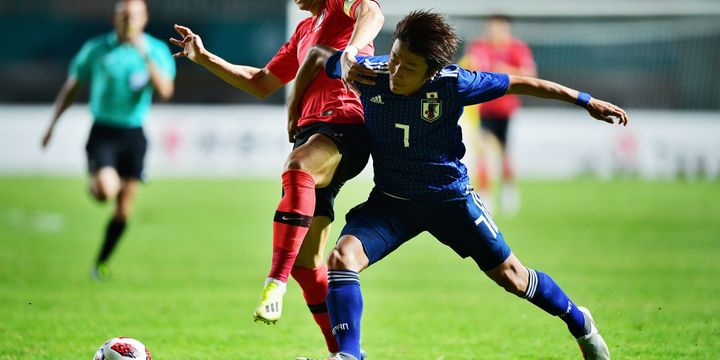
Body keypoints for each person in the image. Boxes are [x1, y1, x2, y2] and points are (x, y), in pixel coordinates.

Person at [291, 10, 627, 360]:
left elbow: (522, 83)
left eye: (408, 67)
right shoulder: (368, 73)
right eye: (394, 58)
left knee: (512, 276)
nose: (395, 71)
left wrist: (586, 101)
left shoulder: (453, 83)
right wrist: (331, 74)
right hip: (392, 203)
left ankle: (581, 324)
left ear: (431, 72)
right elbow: (317, 56)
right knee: (341, 257)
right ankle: (348, 355)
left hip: (449, 201)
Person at [170, 0, 383, 357]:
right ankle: (342, 354)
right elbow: (261, 82)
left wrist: (351, 51)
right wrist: (204, 57)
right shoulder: (302, 31)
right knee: (308, 265)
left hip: (343, 123)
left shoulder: (340, 6)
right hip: (312, 131)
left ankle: (274, 282)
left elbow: (372, 13)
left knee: (297, 166)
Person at [41, 0, 175, 280]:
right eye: (124, 14)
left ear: (144, 18)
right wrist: (52, 124)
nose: (129, 19)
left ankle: (101, 262)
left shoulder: (156, 50)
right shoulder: (97, 49)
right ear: (115, 18)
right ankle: (98, 180)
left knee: (124, 209)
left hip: (134, 135)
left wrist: (144, 55)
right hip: (103, 132)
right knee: (105, 190)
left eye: (134, 15)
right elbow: (73, 85)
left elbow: (165, 90)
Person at [460, 15, 537, 215]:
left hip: (507, 110)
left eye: (498, 27)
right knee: (483, 152)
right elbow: (471, 66)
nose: (494, 31)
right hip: (484, 109)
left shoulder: (517, 48)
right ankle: (485, 196)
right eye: (491, 27)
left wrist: (504, 71)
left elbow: (530, 74)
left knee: (505, 153)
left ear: (506, 29)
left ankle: (509, 190)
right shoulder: (479, 47)